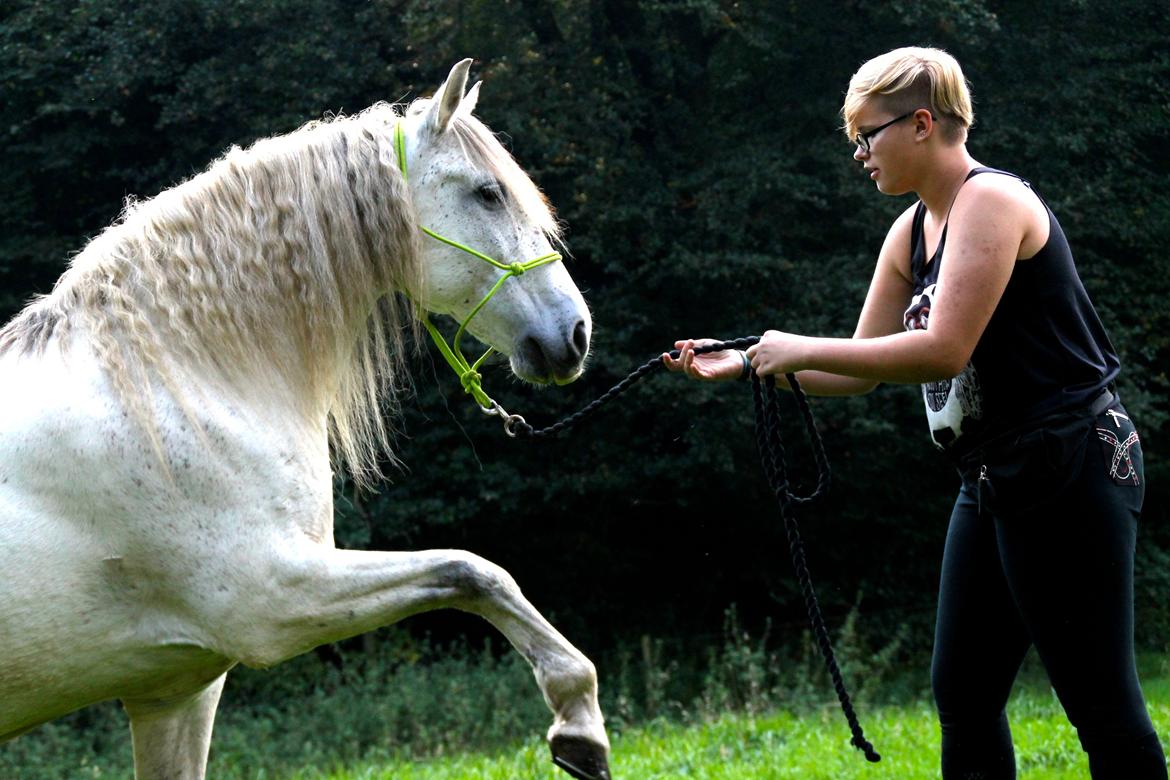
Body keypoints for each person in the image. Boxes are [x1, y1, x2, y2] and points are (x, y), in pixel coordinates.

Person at [664, 46, 1167, 779]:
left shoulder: (991, 201)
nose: (860, 154)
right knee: (962, 693)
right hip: (992, 475)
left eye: (867, 135)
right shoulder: (909, 232)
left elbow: (941, 350)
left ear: (923, 122)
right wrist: (746, 364)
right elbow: (859, 371)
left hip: (1073, 462)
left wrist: (792, 346)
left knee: (1100, 702)